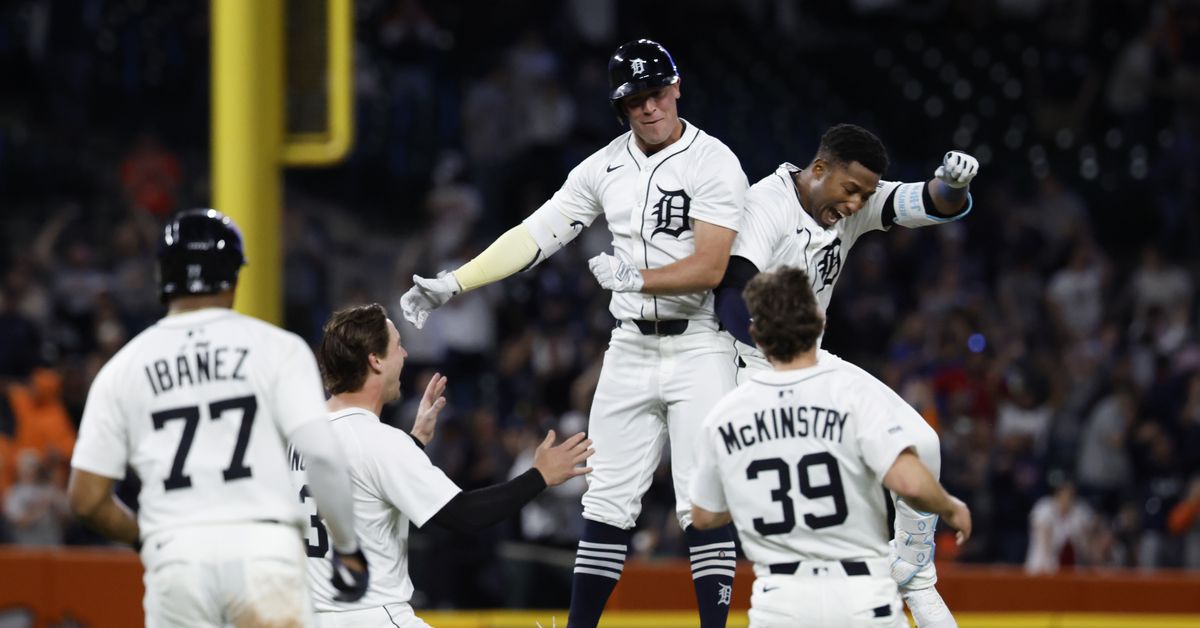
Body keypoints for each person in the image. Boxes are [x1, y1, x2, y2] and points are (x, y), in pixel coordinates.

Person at [400, 39, 747, 628]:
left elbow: (713, 266)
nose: (650, 107)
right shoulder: (603, 165)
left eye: (658, 92)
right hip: (630, 345)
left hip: (700, 342)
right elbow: (535, 235)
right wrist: (455, 283)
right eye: (635, 99)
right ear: (620, 106)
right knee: (605, 498)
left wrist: (635, 276)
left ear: (678, 87)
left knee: (703, 504)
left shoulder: (714, 161)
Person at [714, 124, 978, 628]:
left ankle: (914, 571)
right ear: (819, 170)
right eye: (850, 190)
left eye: (866, 194)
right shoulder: (767, 203)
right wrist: (777, 352)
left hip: (813, 362)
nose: (858, 204)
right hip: (749, 367)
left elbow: (930, 201)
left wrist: (954, 185)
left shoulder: (849, 203)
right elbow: (732, 293)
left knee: (922, 442)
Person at [67, 209, 370, 627]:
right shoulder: (278, 348)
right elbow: (322, 456)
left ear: (162, 276)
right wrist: (347, 545)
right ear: (233, 278)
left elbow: (85, 500)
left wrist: (145, 536)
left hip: (177, 558)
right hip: (265, 552)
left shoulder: (121, 368)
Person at [691, 266, 971, 628]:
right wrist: (949, 507)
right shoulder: (854, 395)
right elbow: (910, 483)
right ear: (821, 320)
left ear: (756, 333)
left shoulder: (726, 414)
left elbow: (704, 516)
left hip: (779, 604)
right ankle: (918, 582)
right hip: (862, 597)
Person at [297, 302, 593, 627]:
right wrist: (539, 476)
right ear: (375, 360)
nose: (406, 355)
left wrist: (414, 443)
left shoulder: (295, 436)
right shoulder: (379, 442)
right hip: (371, 616)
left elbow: (358, 480)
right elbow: (464, 514)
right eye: (398, 345)